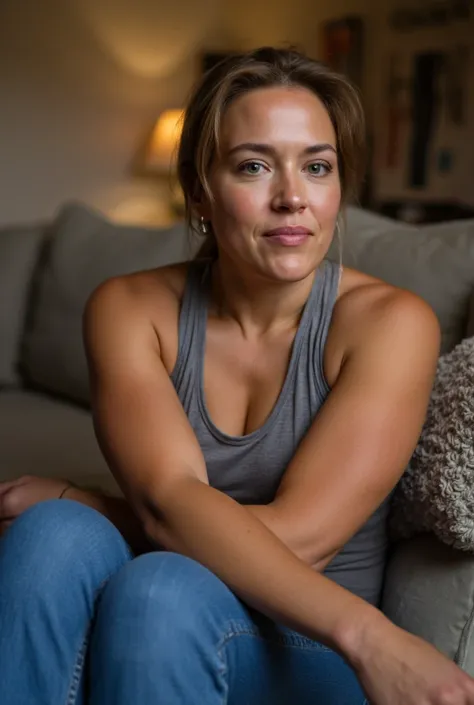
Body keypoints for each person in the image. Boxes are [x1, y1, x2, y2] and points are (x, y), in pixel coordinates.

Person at [0, 46, 473, 705]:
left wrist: (99, 505)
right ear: (200, 191)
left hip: (315, 638)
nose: (292, 198)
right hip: (180, 598)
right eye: (254, 166)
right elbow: (167, 497)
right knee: (49, 536)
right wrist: (116, 515)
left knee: (154, 584)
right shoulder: (131, 308)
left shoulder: (390, 322)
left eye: (317, 166)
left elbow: (303, 538)